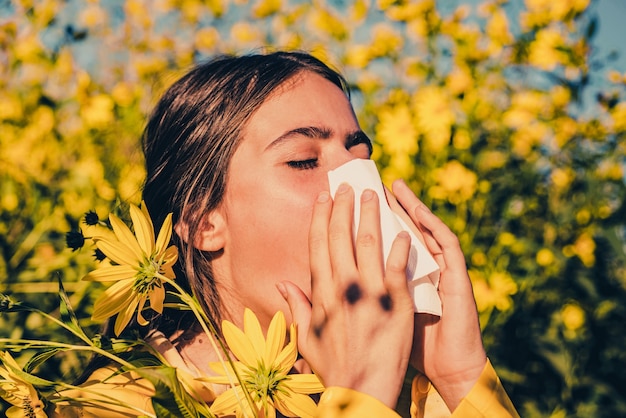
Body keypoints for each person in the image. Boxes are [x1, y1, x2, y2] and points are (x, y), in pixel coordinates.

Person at [54, 51, 519, 417]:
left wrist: (458, 380)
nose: (359, 189)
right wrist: (359, 398)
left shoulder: (402, 388)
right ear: (202, 222)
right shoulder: (116, 407)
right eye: (303, 161)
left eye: (362, 159)